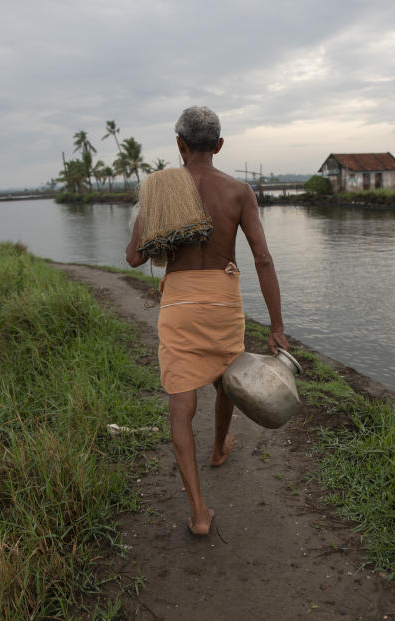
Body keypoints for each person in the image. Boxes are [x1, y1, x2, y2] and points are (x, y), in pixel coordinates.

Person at [126, 106, 288, 536]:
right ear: (219, 146)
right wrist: (276, 326)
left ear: (179, 144)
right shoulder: (238, 191)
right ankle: (218, 449)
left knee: (181, 403)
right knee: (226, 378)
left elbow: (134, 256)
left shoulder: (162, 191)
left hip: (179, 300)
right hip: (222, 298)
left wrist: (157, 220)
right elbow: (263, 258)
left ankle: (198, 513)